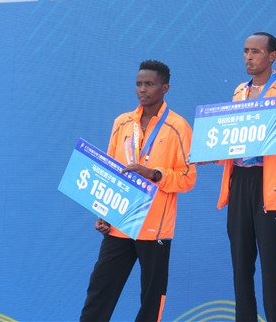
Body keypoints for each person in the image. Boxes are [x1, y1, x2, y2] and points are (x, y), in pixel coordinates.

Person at [80, 60, 197, 322]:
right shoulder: (122, 122)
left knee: (151, 300)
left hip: (155, 228)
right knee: (99, 291)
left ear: (165, 88)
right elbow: (110, 171)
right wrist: (103, 212)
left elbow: (188, 177)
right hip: (120, 223)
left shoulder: (178, 127)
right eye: (139, 84)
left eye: (149, 84)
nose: (142, 89)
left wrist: (155, 174)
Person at [216, 32, 276, 322]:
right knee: (241, 266)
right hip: (239, 181)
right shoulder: (239, 92)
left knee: (273, 267)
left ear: (272, 56)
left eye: (255, 51)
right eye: (246, 51)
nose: (248, 57)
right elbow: (232, 140)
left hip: (271, 186)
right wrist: (214, 150)